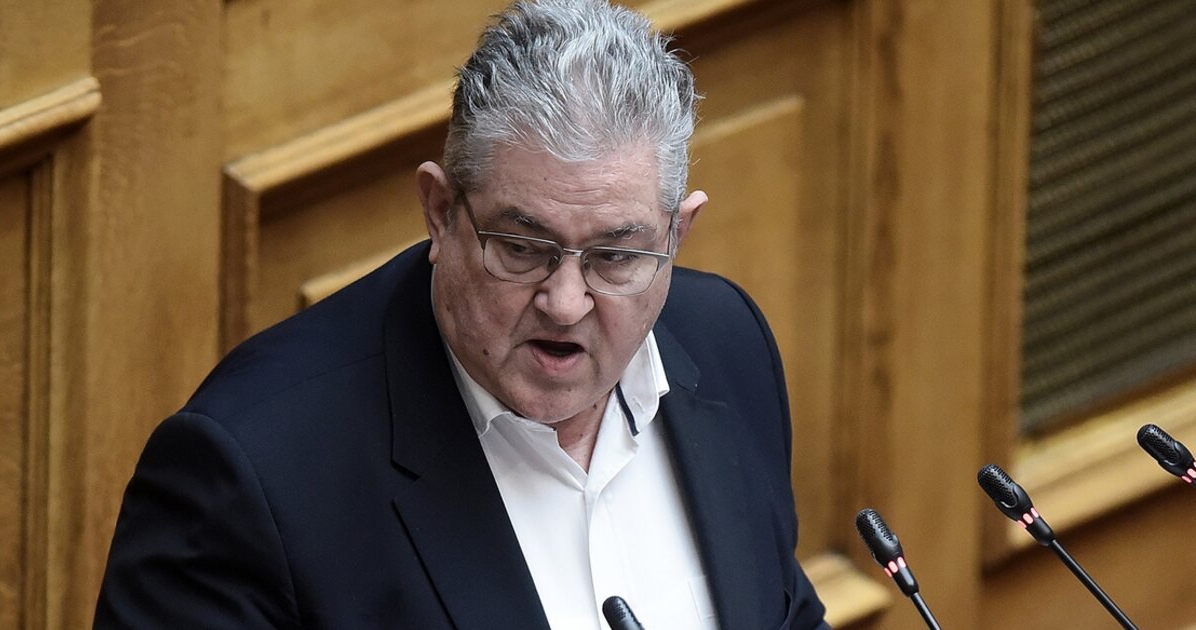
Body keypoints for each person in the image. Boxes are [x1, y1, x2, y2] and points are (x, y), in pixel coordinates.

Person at [94, 0, 829, 628]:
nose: (565, 302)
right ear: (440, 212)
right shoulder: (250, 474)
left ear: (676, 234)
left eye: (614, 257)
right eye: (522, 248)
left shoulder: (725, 341)